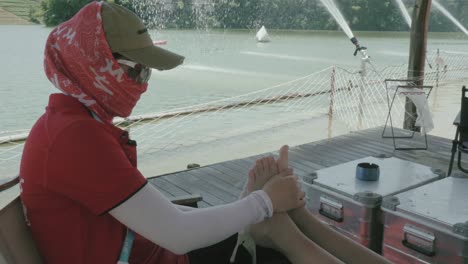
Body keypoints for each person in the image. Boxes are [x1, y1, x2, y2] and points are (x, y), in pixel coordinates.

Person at [19, 2, 391, 264]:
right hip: (163, 252)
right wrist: (262, 202)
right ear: (93, 64)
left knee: (283, 221)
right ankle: (278, 220)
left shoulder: (77, 125)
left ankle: (281, 220)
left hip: (155, 250)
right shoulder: (74, 139)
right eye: (138, 71)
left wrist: (261, 201)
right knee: (279, 224)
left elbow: (159, 225)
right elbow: (177, 234)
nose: (142, 85)